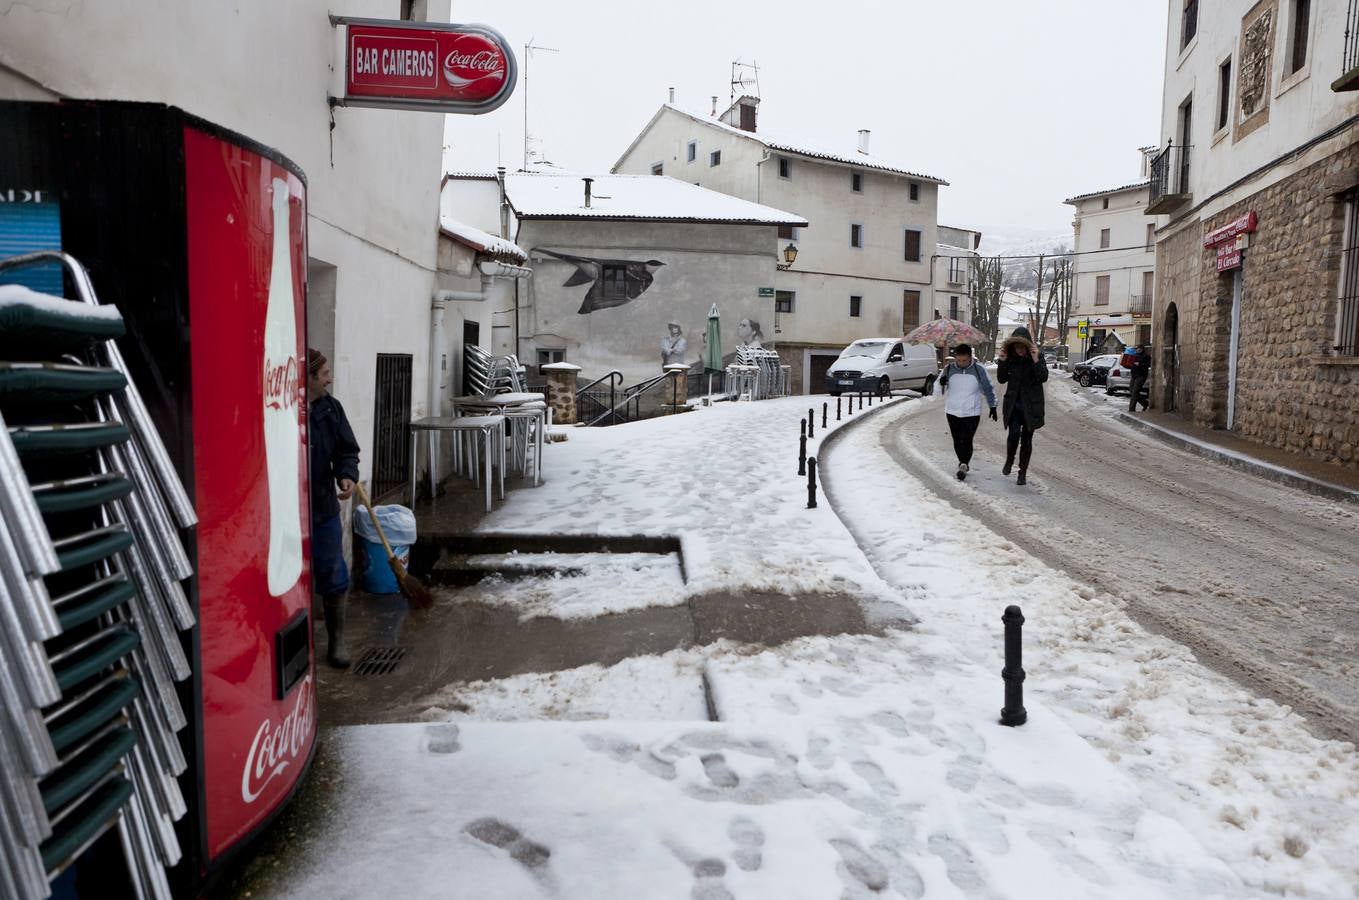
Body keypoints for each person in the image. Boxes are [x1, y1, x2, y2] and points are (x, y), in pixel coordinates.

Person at [307, 348, 360, 668]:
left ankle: (337, 640)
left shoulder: (330, 409)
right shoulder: (282, 408)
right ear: (309, 377)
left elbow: (346, 449)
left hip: (323, 506)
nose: (330, 378)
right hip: (287, 511)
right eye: (324, 373)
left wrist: (346, 475)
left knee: (333, 571)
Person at [995, 326, 1048, 486]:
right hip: (1014, 405)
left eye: (1022, 347)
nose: (1019, 350)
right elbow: (1001, 379)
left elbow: (1043, 377)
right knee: (1013, 434)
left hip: (1031, 406)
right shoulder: (1010, 359)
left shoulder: (1037, 357)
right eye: (1016, 347)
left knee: (1027, 440)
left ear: (1027, 346)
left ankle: (1022, 472)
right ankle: (1009, 460)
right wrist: (1002, 362)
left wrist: (1036, 359)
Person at [937, 343, 997, 482]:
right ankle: (963, 462)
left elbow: (988, 388)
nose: (961, 363)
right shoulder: (949, 369)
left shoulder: (978, 370)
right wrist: (942, 382)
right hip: (952, 411)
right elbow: (937, 389)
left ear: (970, 358)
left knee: (967, 439)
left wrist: (993, 406)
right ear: (955, 358)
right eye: (958, 360)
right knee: (957, 439)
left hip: (972, 411)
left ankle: (964, 463)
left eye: (964, 360)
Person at [1128, 344, 1151, 412]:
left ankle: (1131, 409)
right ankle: (1145, 403)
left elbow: (1148, 364)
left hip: (1141, 376)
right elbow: (1131, 365)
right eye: (1136, 349)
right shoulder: (1134, 355)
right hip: (1134, 375)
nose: (1137, 350)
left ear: (1142, 349)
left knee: (1135, 392)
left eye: (1138, 349)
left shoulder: (1146, 356)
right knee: (1131, 390)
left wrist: (1139, 364)